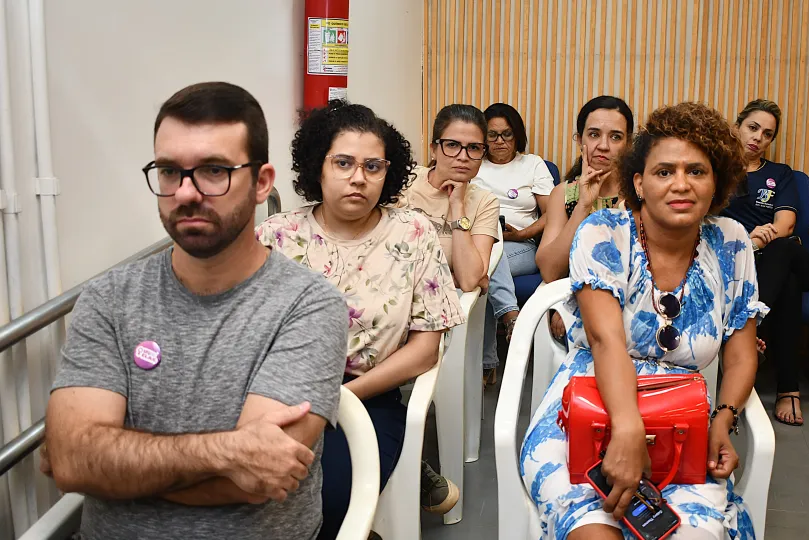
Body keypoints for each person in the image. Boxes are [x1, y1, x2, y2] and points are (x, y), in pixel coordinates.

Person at [42, 82, 348, 539]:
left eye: (213, 170)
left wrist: (110, 466)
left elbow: (259, 477)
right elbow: (71, 460)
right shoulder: (109, 299)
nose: (185, 192)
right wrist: (226, 452)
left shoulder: (307, 306)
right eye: (169, 171)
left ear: (262, 183)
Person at [521, 102, 764, 540]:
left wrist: (723, 420)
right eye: (664, 171)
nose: (681, 184)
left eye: (697, 171)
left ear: (718, 182)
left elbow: (742, 352)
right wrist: (628, 429)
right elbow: (605, 339)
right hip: (586, 407)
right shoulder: (604, 230)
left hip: (683, 422)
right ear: (639, 181)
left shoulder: (732, 242)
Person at [257, 101, 466, 536]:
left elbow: (425, 348)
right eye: (344, 163)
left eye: (373, 166)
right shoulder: (276, 235)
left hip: (368, 399)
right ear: (318, 166)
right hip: (276, 396)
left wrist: (342, 397)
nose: (358, 178)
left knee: (326, 499)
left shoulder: (413, 233)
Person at [722, 99, 809, 426]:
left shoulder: (781, 175)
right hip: (739, 262)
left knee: (783, 251)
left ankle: (748, 326)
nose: (759, 137)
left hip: (783, 252)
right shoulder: (718, 170)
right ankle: (788, 388)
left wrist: (759, 240)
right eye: (753, 128)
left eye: (768, 134)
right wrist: (748, 242)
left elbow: (786, 225)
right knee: (786, 285)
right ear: (737, 126)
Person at [536, 96, 633, 341]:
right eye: (593, 134)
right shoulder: (564, 194)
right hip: (573, 291)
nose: (603, 146)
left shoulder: (641, 192)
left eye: (615, 137)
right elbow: (549, 270)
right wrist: (583, 205)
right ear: (580, 140)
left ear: (629, 144)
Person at [473, 102, 555, 384]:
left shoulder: (533, 164)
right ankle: (511, 319)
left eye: (506, 135)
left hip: (522, 245)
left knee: (482, 268)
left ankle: (486, 363)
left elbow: (551, 215)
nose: (499, 142)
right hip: (481, 243)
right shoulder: (473, 165)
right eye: (492, 135)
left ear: (517, 136)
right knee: (483, 267)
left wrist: (520, 233)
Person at [396, 104, 500, 294]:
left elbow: (468, 281)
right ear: (434, 149)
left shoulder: (485, 201)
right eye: (452, 145)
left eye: (474, 148)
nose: (463, 157)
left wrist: (457, 205)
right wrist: (445, 276)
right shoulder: (403, 182)